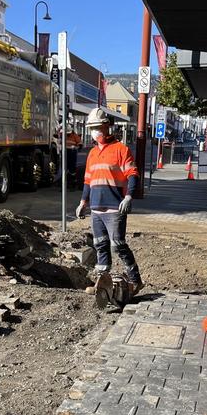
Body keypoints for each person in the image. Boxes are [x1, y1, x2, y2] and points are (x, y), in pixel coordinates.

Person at [76, 107, 143, 294]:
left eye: (97, 127)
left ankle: (136, 280)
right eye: (92, 128)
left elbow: (132, 174)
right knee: (100, 245)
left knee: (118, 245)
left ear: (107, 126)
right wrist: (83, 202)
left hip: (115, 207)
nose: (94, 131)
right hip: (96, 208)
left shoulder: (121, 150)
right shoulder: (92, 153)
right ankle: (101, 285)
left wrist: (129, 196)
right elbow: (88, 180)